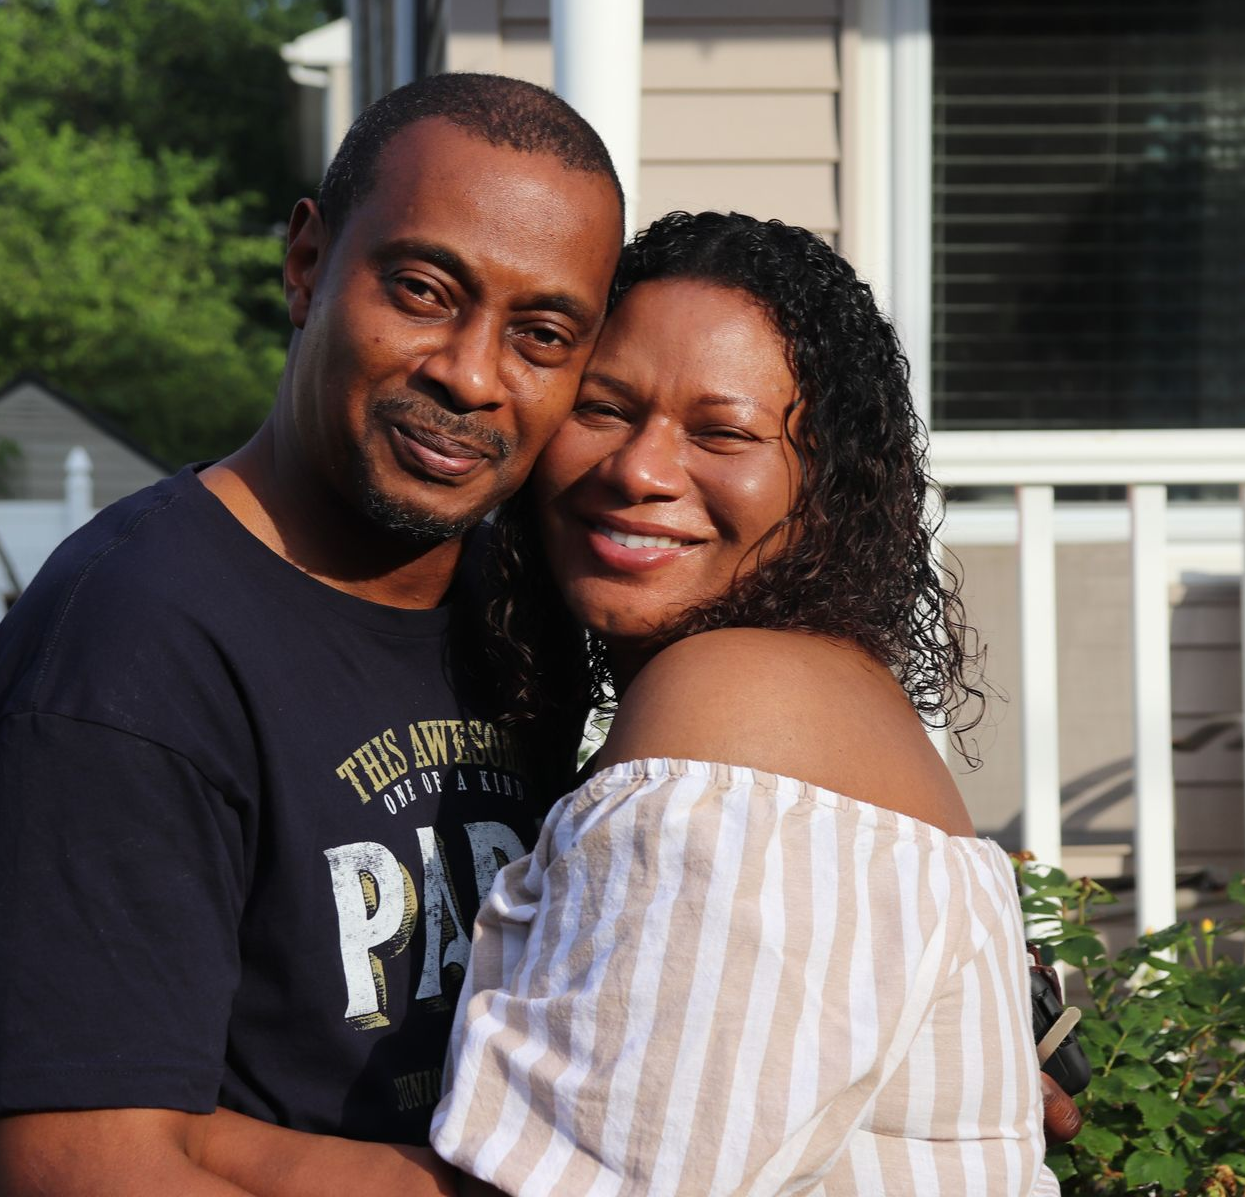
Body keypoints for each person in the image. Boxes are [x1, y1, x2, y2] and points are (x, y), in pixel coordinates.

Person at [0, 72, 625, 1196]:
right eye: (421, 289)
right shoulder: (127, 651)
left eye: (542, 334)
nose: (470, 371)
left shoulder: (530, 596)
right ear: (307, 263)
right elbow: (84, 1172)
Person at [432, 211, 1060, 1194]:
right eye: (603, 409)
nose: (639, 469)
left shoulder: (736, 700)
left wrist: (192, 1146)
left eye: (722, 432)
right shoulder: (804, 686)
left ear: (826, 487)